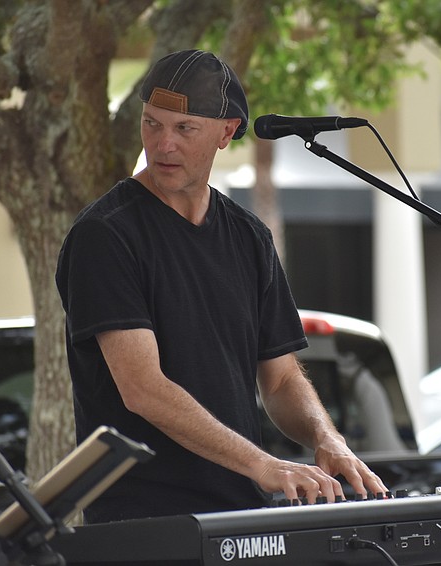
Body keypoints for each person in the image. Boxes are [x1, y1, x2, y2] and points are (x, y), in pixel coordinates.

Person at [55, 49, 387, 522]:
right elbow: (143, 389)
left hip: (241, 514)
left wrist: (326, 439)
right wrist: (265, 464)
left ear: (227, 132)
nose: (162, 144)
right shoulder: (105, 235)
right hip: (145, 523)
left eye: (184, 128)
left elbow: (282, 378)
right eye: (152, 124)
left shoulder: (249, 236)